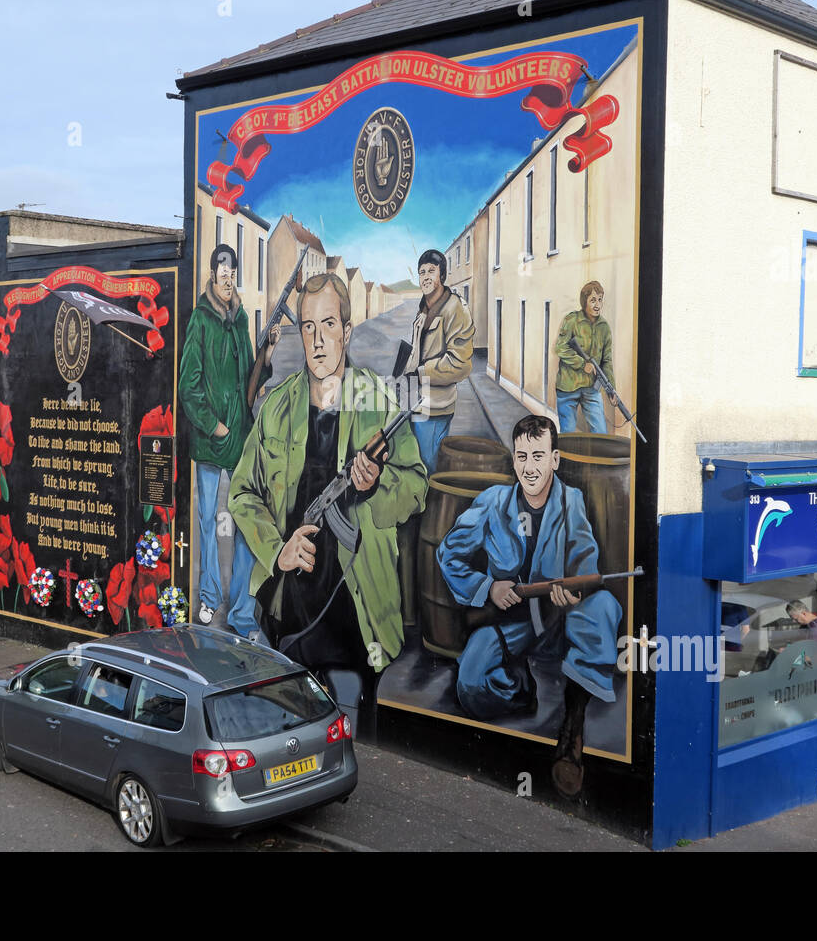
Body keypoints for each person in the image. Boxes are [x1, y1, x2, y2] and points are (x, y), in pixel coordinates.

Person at [230, 271, 427, 735]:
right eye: (308, 327)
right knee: (290, 723)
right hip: (291, 599)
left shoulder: (377, 401)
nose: (318, 341)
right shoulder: (277, 407)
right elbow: (241, 492)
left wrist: (376, 484)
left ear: (347, 330)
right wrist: (277, 550)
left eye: (329, 325)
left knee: (362, 724)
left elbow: (416, 486)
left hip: (360, 599)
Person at [436, 414, 622, 800]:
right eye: (522, 456)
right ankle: (522, 689)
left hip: (558, 620)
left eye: (538, 456)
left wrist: (574, 593)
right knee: (470, 686)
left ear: (555, 459)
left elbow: (585, 561)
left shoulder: (571, 502)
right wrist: (487, 587)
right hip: (511, 623)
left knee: (602, 605)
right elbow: (449, 553)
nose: (530, 467)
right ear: (513, 459)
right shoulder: (493, 502)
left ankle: (572, 728)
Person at [178, 243, 278, 637]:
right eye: (222, 271)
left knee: (243, 517)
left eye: (232, 271)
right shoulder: (200, 319)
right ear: (212, 274)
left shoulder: (240, 320)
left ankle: (240, 610)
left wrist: (266, 355)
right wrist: (212, 424)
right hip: (211, 440)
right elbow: (188, 386)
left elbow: (250, 379)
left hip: (240, 439)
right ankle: (208, 597)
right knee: (208, 522)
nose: (227, 277)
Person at [405, 248, 474, 473]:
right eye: (421, 272)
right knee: (414, 467)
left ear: (442, 275)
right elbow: (417, 353)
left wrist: (421, 373)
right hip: (415, 403)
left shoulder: (455, 307)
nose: (425, 277)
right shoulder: (423, 309)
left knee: (427, 470)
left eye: (431, 271)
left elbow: (460, 363)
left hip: (436, 408)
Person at [554, 280, 615, 435]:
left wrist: (611, 390)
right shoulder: (572, 320)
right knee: (567, 434)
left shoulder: (604, 327)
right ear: (584, 302)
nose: (597, 305)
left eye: (600, 299)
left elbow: (607, 361)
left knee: (601, 434)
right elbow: (560, 348)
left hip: (591, 388)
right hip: (568, 387)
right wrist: (582, 364)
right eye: (593, 300)